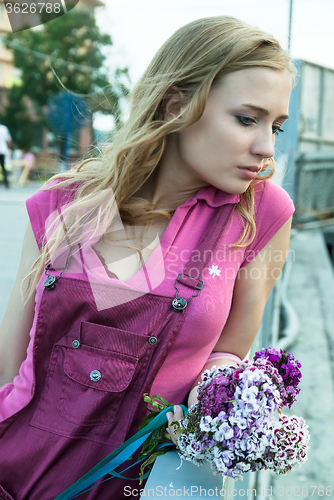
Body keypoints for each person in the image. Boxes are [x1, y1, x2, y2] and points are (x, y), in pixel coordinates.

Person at [0, 16, 296, 499]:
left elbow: (229, 351)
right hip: (16, 475)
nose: (266, 148)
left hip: (145, 485)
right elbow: (11, 362)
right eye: (247, 119)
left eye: (276, 126)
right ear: (178, 105)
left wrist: (229, 395)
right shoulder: (62, 203)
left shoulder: (261, 214)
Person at [0, 123, 13, 188]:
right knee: (3, 167)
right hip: (2, 150)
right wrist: (9, 149)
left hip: (2, 150)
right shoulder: (3, 128)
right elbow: (9, 140)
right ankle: (6, 183)